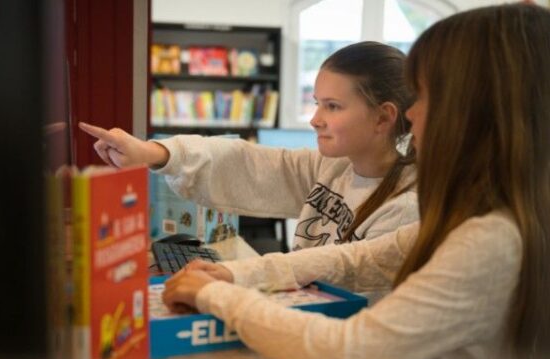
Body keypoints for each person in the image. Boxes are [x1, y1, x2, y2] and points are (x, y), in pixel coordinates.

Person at [161, 4, 550, 359]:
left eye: (427, 95)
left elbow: (348, 351)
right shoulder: (482, 215)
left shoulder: (491, 241)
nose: (412, 113)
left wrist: (216, 294)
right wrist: (235, 275)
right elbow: (354, 259)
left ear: (477, 112)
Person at [80, 41, 418, 252]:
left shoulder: (405, 209)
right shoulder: (332, 166)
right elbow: (247, 161)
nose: (316, 120)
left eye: (333, 106)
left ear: (382, 117)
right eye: (317, 104)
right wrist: (155, 153)